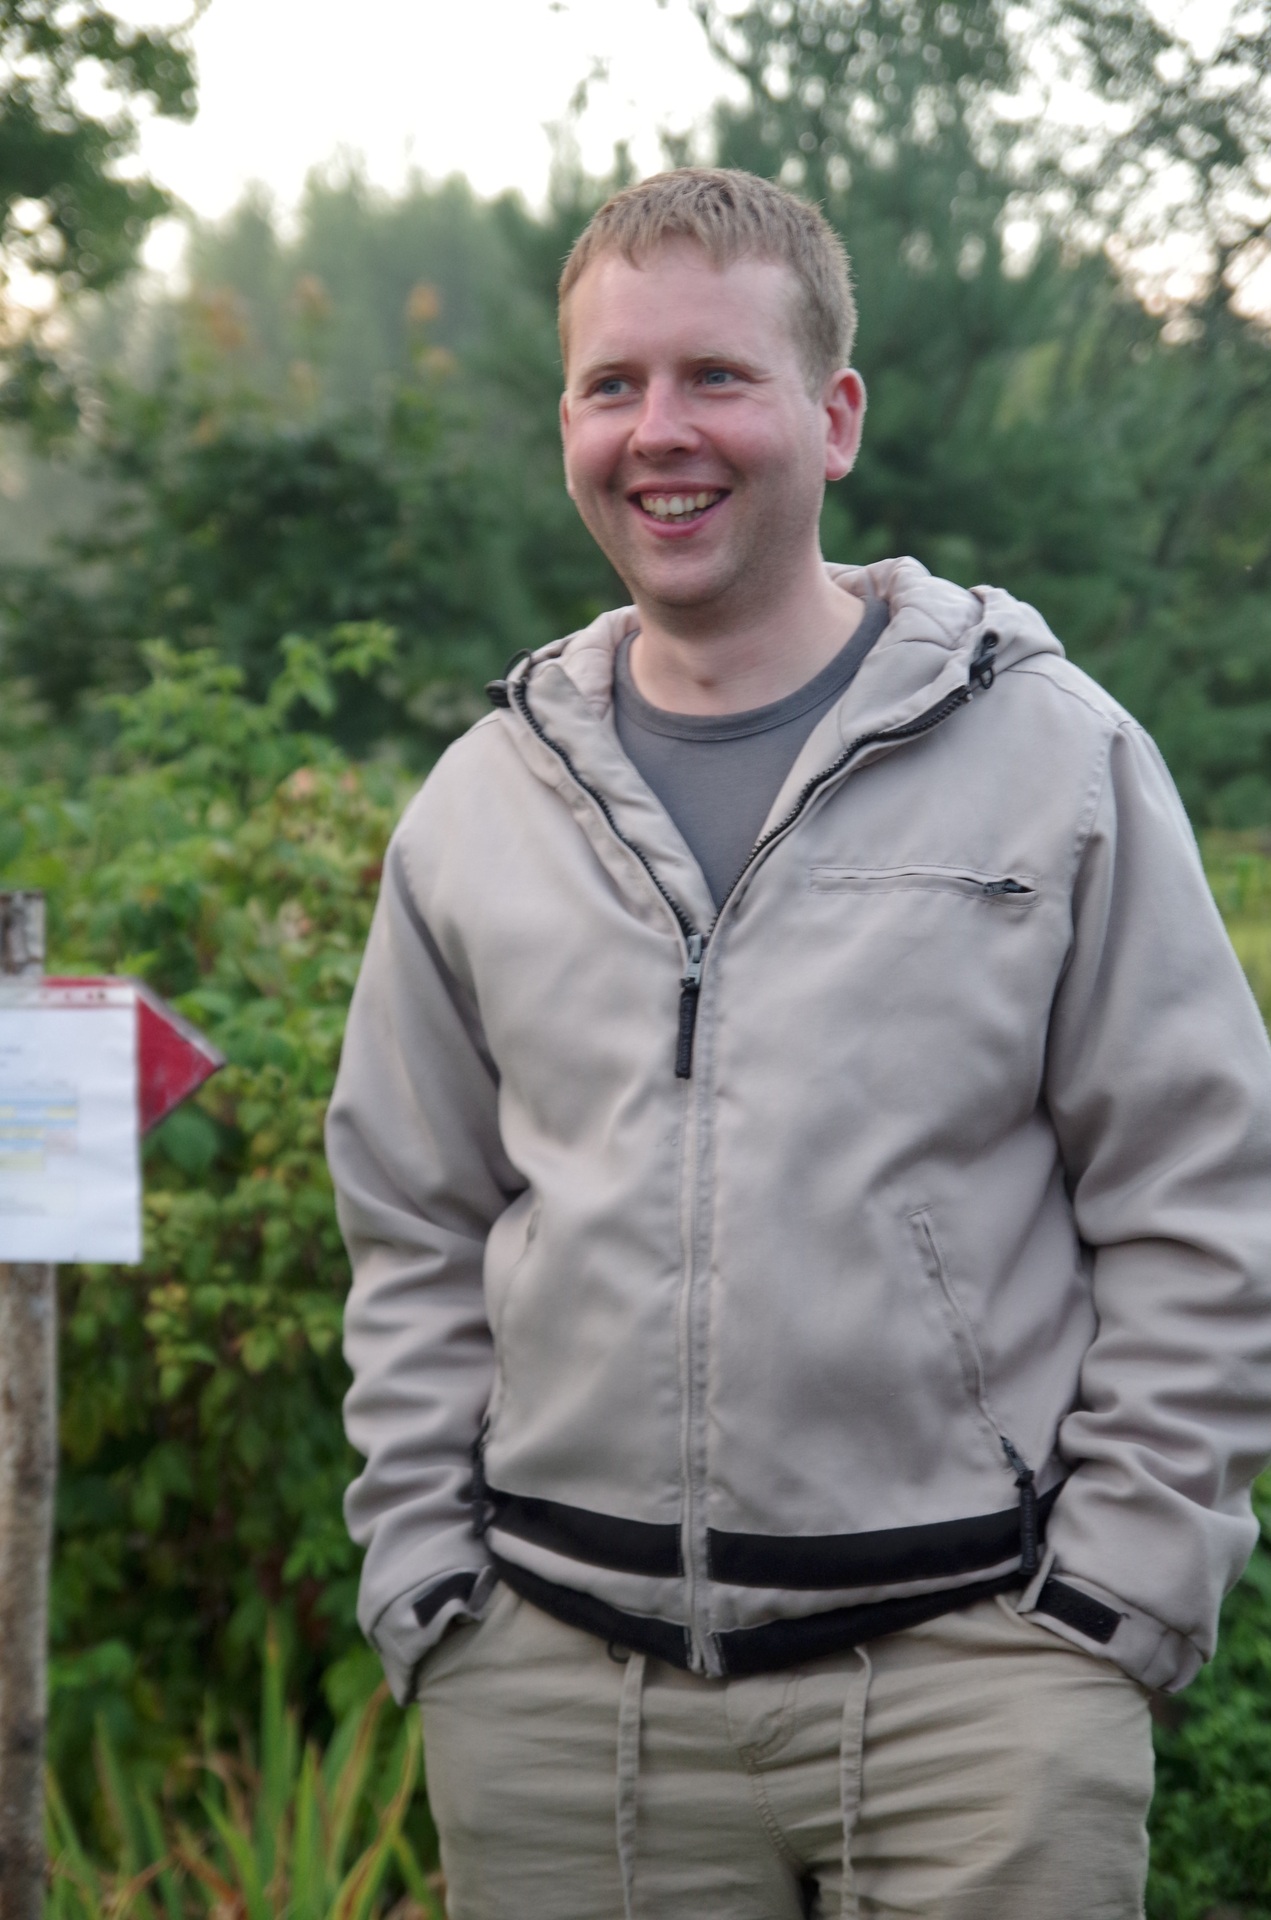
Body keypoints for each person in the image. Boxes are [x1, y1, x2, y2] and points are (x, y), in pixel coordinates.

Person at [325, 168, 1271, 1920]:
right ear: (567, 424)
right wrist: (431, 1584)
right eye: (612, 385)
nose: (658, 433)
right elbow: (413, 1219)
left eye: (716, 377)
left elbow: (1203, 1193)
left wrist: (1120, 1597)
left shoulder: (1054, 761)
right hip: (561, 1708)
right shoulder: (481, 804)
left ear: (833, 418)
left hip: (975, 1696)